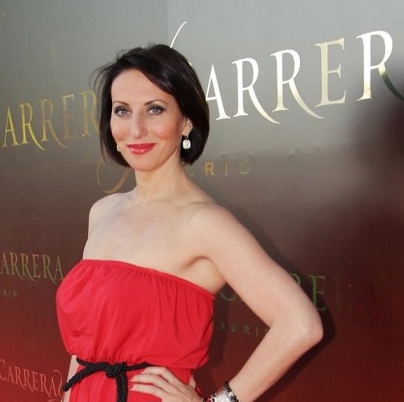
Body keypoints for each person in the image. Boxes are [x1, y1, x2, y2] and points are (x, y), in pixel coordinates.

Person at [56, 44, 323, 402]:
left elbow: (301, 324)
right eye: (122, 110)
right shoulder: (102, 212)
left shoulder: (205, 224)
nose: (136, 129)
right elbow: (86, 346)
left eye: (155, 109)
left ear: (186, 120)